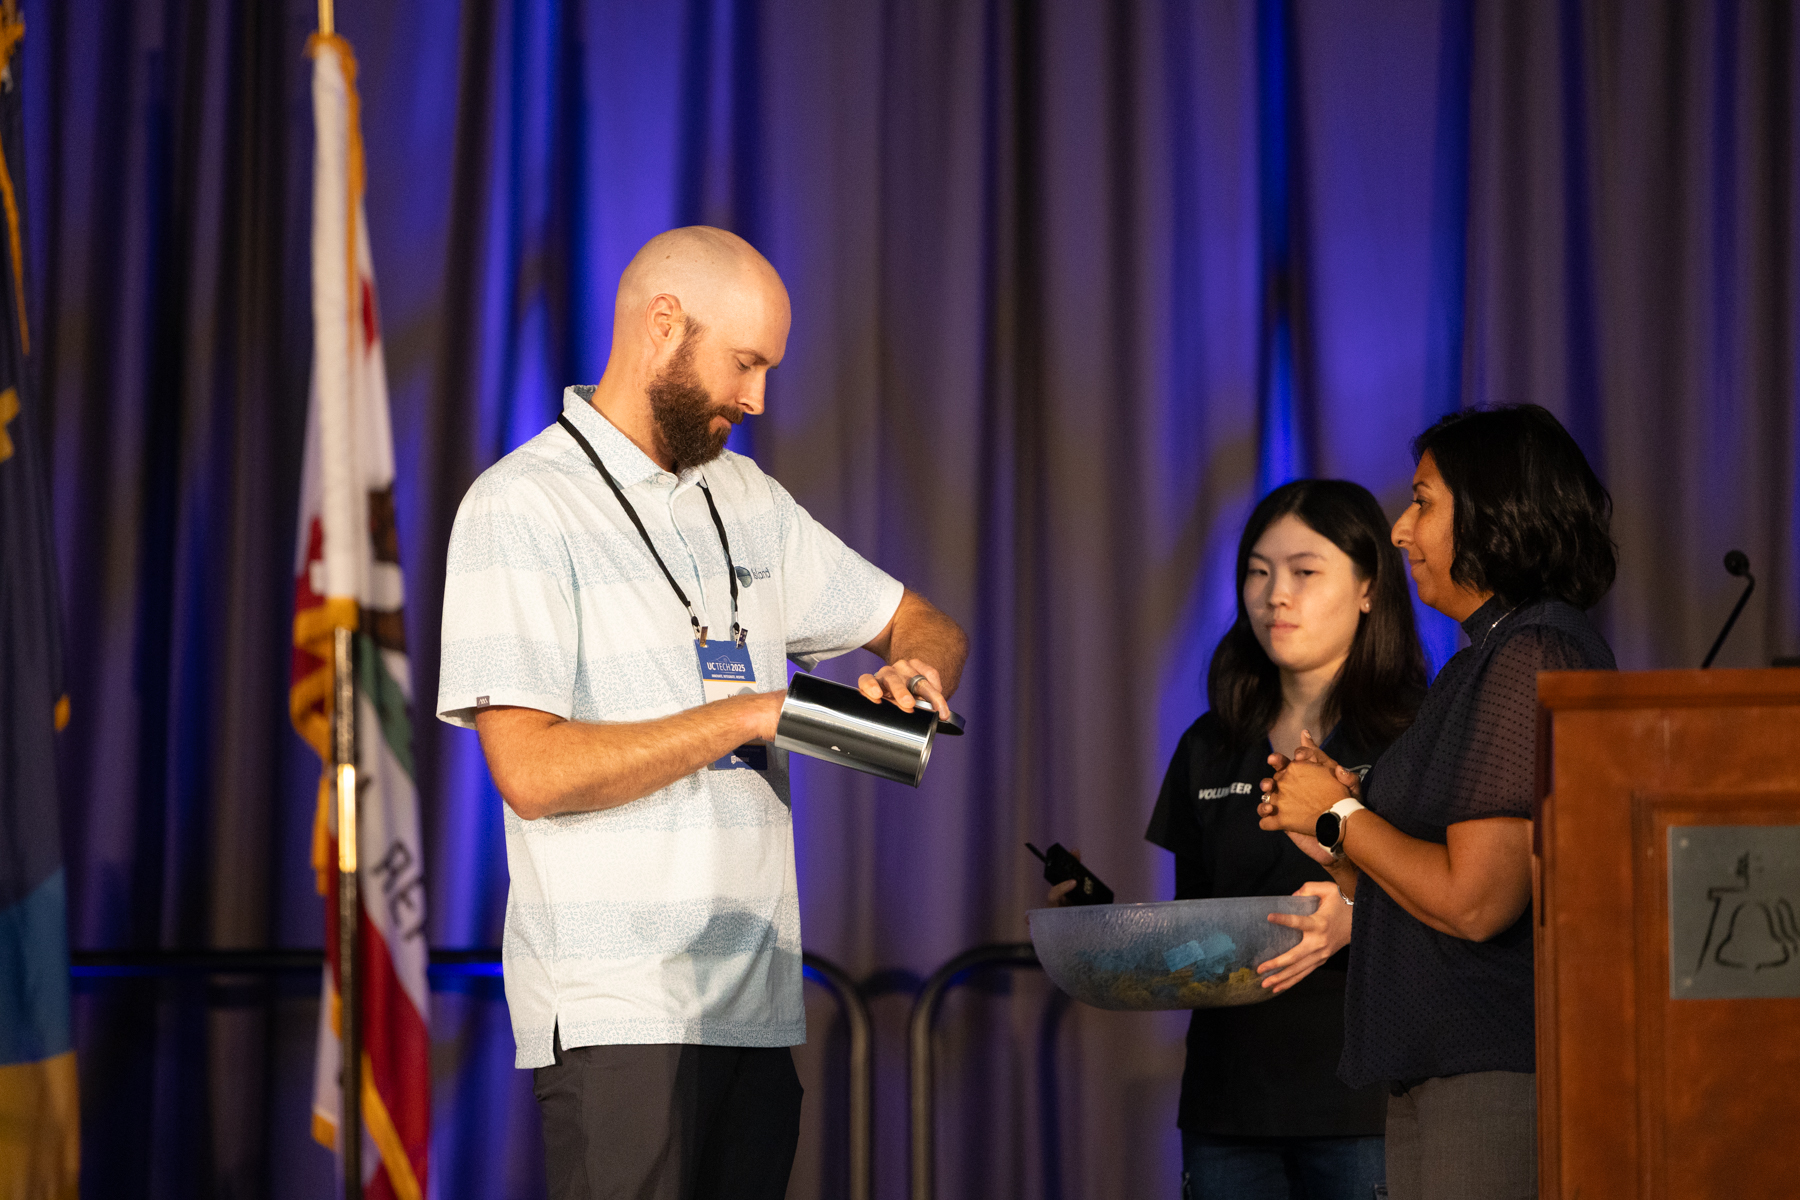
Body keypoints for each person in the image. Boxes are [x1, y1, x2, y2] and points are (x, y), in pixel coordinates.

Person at [436, 226, 969, 1200]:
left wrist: (918, 671)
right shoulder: (521, 507)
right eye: (745, 363)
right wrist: (751, 715)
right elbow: (532, 773)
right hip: (620, 1014)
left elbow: (923, 623)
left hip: (756, 1011)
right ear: (663, 325)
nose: (758, 398)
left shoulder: (747, 496)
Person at [1258, 404, 1618, 1200]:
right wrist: (1334, 834)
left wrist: (1342, 816)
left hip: (1495, 1067)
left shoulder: (1532, 650)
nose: (1399, 530)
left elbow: (1479, 902)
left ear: (1495, 511)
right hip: (1441, 1068)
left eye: (1422, 502)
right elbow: (1419, 895)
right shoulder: (1480, 660)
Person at [1055, 479, 1427, 1198]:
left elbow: (1467, 907)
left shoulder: (1417, 733)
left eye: (1304, 571)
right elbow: (1200, 932)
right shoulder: (1211, 743)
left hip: (1368, 1104)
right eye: (1258, 572)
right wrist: (1106, 928)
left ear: (1369, 589)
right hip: (1229, 1104)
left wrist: (1357, 919)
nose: (1275, 596)